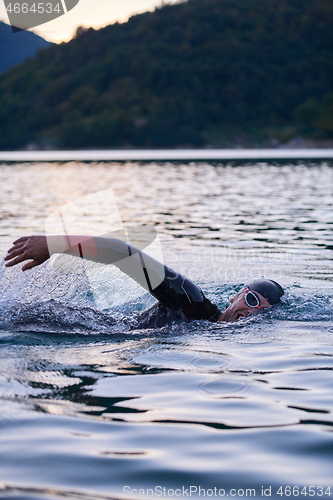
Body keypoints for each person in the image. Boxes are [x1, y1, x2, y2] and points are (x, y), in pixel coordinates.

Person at [4, 234, 284, 325]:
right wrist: (55, 244)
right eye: (250, 299)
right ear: (235, 295)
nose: (250, 310)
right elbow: (123, 254)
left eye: (260, 310)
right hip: (89, 326)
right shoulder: (192, 301)